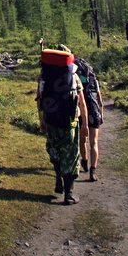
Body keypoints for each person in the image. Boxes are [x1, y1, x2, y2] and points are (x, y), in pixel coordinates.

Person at [37, 47, 90, 205]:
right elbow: (81, 102)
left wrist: (42, 120)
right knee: (71, 156)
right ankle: (69, 194)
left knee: (55, 151)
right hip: (70, 122)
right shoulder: (73, 77)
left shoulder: (44, 76)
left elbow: (39, 99)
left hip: (51, 119)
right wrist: (85, 124)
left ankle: (58, 179)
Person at [74, 54, 104, 182]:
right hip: (95, 111)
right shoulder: (94, 80)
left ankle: (84, 162)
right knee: (94, 142)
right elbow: (100, 100)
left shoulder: (76, 80)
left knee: (82, 139)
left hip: (82, 111)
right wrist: (101, 114)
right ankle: (93, 171)